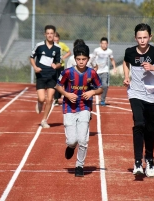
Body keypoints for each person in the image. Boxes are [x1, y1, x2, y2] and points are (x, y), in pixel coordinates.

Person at [122, 23, 154, 177]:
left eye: (145, 37)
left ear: (150, 37)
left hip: (152, 94)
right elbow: (125, 62)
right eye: (139, 38)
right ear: (135, 38)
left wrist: (153, 68)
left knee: (150, 128)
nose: (142, 40)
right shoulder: (130, 52)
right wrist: (126, 76)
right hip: (135, 93)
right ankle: (137, 161)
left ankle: (149, 158)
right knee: (139, 123)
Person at [55, 44, 103, 177]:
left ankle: (79, 166)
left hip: (85, 108)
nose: (81, 62)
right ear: (75, 59)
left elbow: (100, 88)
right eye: (78, 59)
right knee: (72, 140)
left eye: (84, 59)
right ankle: (70, 147)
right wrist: (67, 95)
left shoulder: (91, 73)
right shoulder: (67, 72)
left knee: (83, 139)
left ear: (88, 59)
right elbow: (58, 86)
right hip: (69, 108)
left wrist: (92, 92)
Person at [30, 25, 61, 128]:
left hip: (52, 76)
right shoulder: (39, 46)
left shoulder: (57, 48)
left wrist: (55, 65)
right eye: (48, 33)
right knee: (42, 98)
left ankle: (44, 120)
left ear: (54, 34)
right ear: (45, 34)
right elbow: (31, 57)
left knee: (50, 99)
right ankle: (39, 101)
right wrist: (35, 67)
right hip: (41, 76)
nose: (49, 35)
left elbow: (59, 63)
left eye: (51, 33)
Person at [91, 37, 117, 106]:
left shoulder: (109, 51)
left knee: (105, 85)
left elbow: (112, 59)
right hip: (96, 71)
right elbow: (92, 59)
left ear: (107, 44)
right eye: (103, 43)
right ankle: (88, 98)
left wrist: (114, 67)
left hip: (105, 70)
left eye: (105, 43)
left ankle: (102, 100)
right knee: (93, 86)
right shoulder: (96, 50)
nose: (104, 45)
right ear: (100, 44)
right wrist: (92, 67)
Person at [53, 32, 71, 106]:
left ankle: (59, 94)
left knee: (60, 81)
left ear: (59, 39)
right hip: (53, 66)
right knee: (54, 81)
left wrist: (63, 57)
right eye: (54, 40)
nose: (56, 42)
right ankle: (56, 99)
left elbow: (69, 52)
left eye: (57, 40)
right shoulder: (51, 46)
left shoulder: (62, 45)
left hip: (61, 65)